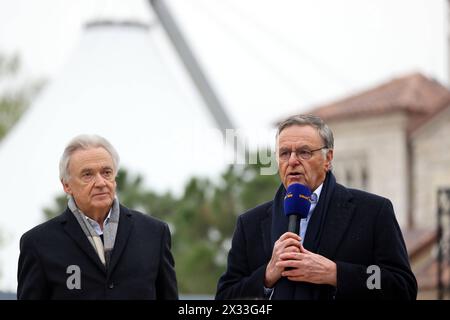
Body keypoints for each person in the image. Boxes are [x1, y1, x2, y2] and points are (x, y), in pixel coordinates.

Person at [215, 114, 417, 300]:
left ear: (328, 159)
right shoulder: (250, 223)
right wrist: (266, 276)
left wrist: (335, 274)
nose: (292, 161)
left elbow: (402, 288)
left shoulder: (373, 212)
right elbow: (225, 298)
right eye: (284, 153)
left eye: (304, 152)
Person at [17, 134, 178, 299]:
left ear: (115, 178)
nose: (101, 182)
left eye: (106, 172)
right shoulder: (38, 243)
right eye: (88, 175)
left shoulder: (154, 234)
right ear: (66, 185)